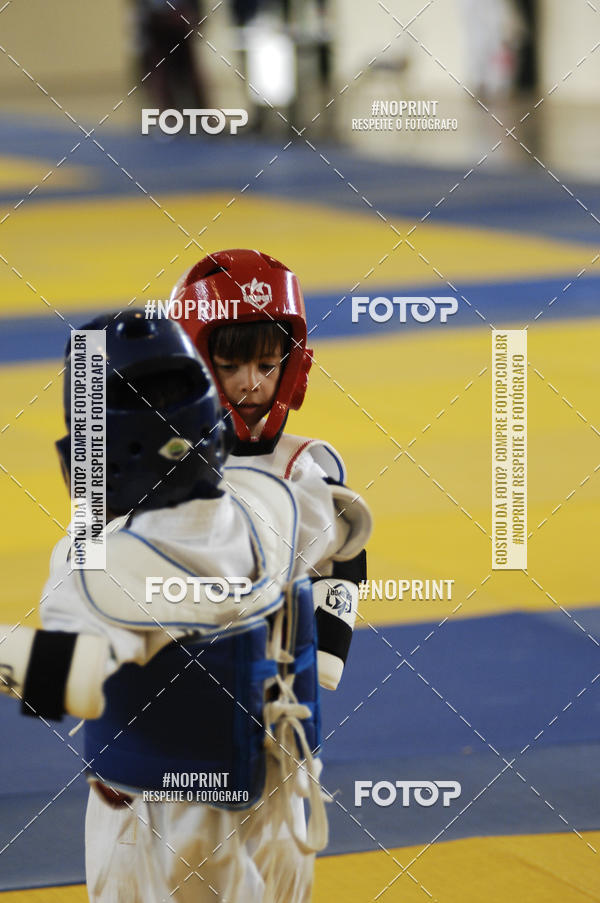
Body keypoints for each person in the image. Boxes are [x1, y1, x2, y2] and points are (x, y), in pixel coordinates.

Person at [0, 311, 371, 902]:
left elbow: (61, 681)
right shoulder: (270, 504)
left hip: (161, 826)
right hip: (281, 812)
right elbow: (346, 524)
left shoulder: (97, 568)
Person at [169, 248, 368, 693]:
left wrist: (325, 654)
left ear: (294, 366)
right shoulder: (164, 456)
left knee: (345, 515)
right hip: (172, 637)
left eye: (266, 366)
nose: (251, 383)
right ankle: (64, 657)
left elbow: (347, 551)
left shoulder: (304, 465)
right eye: (230, 366)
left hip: (270, 656)